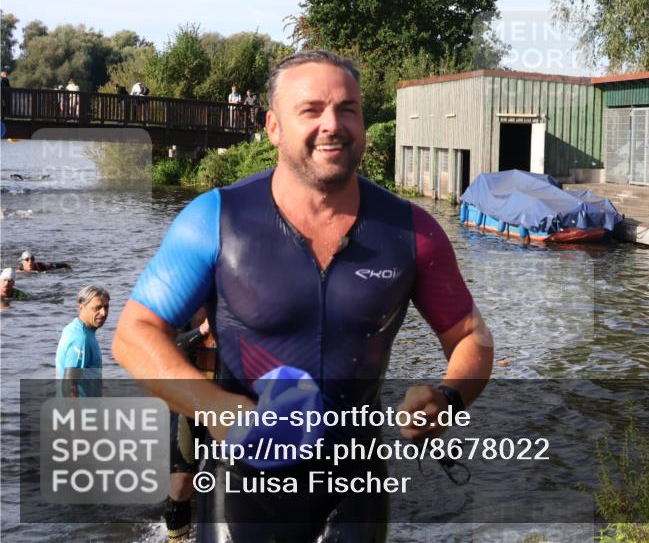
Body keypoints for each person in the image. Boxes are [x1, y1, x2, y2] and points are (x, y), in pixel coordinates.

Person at [113, 50, 494, 542]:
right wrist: (217, 409)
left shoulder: (411, 231)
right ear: (273, 127)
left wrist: (446, 397)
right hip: (242, 484)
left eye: (348, 109)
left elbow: (471, 337)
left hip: (355, 485)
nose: (332, 124)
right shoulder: (215, 220)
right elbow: (134, 334)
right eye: (311, 110)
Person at [165, 308, 215, 542]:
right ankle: (177, 539)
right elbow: (166, 347)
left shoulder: (244, 294)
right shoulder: (187, 298)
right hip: (190, 399)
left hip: (230, 397)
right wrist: (203, 330)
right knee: (181, 481)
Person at [56, 285, 109, 397]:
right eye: (97, 308)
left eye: (106, 307)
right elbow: (69, 385)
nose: (103, 313)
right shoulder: (81, 338)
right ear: (81, 308)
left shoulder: (75, 328)